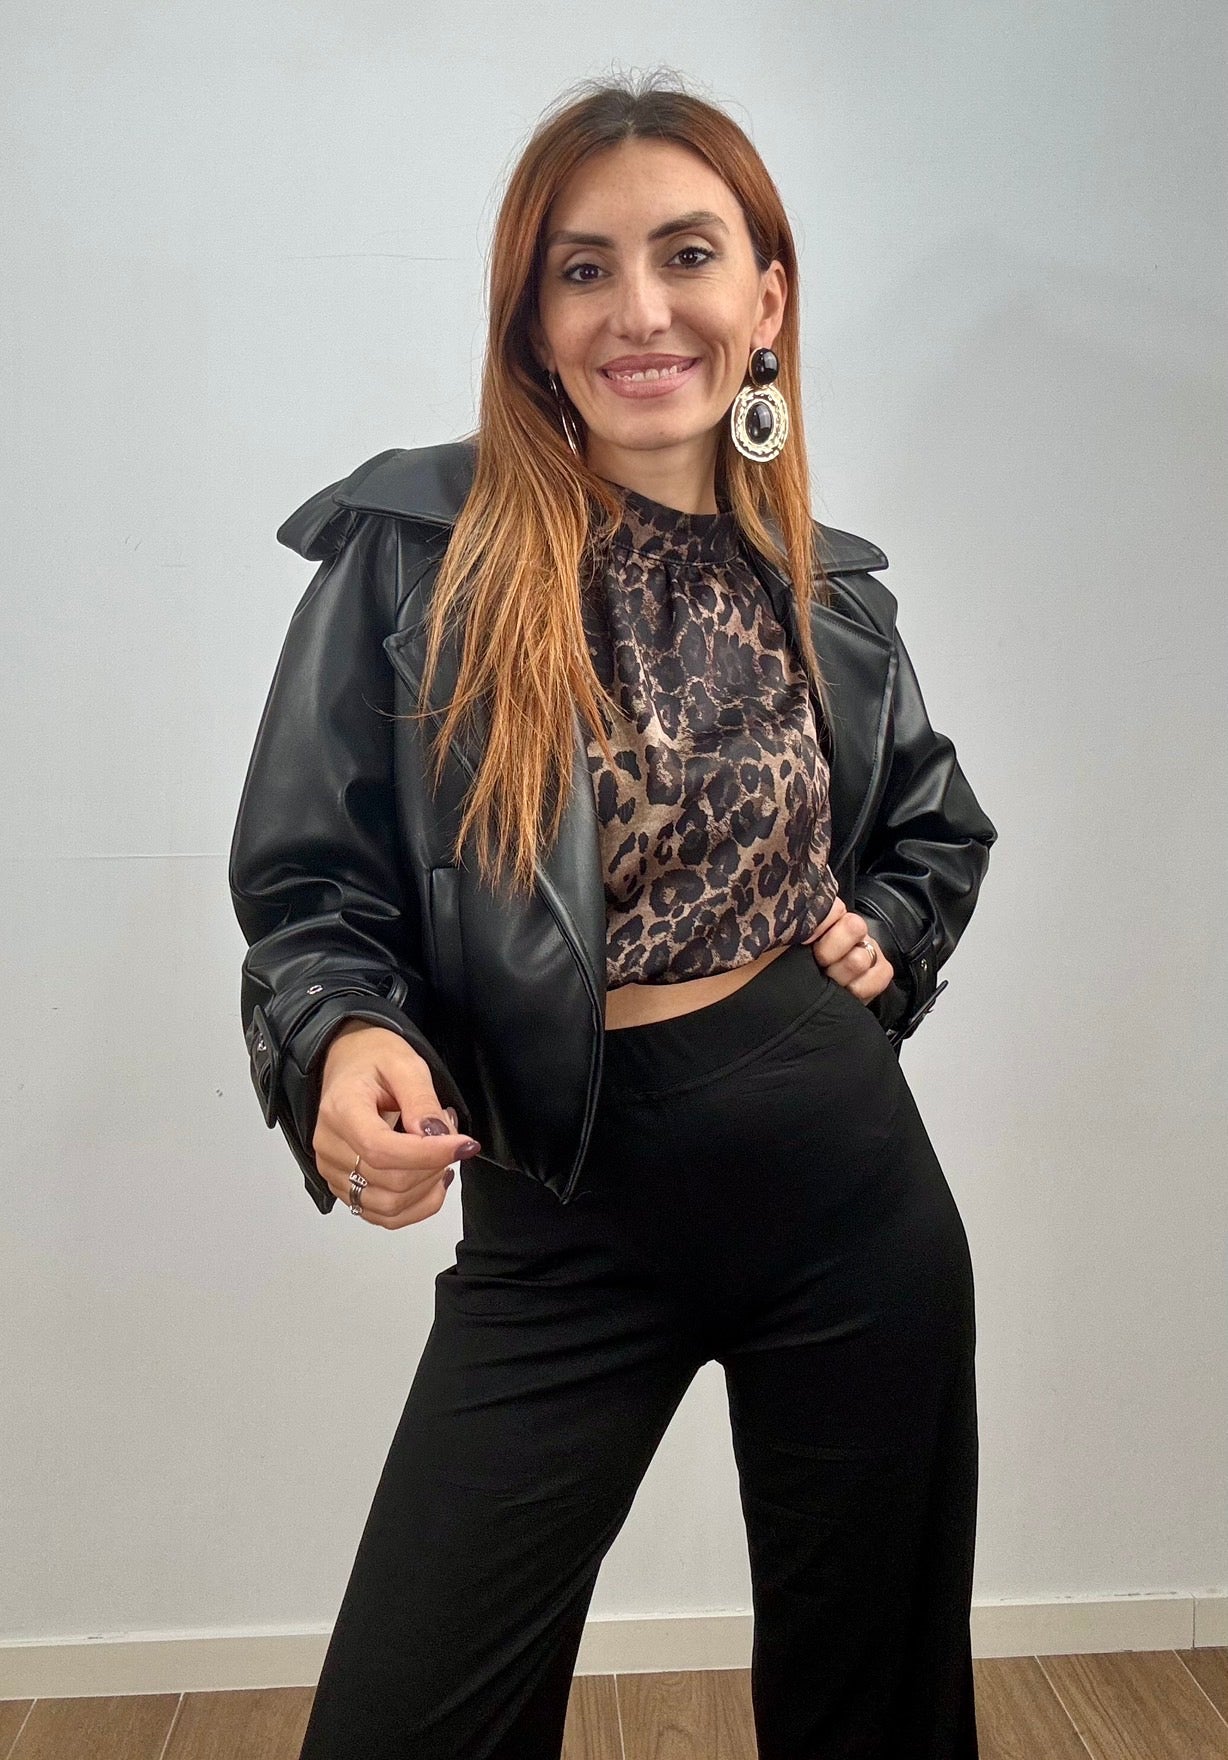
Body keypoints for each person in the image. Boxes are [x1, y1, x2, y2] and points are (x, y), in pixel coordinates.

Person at [229, 71, 997, 1760]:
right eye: (584, 269)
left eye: (688, 255)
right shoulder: (416, 556)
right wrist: (342, 1039)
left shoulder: (834, 594)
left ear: (766, 301)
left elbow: (935, 824)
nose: (640, 310)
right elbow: (309, 885)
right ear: (533, 319)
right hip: (561, 1217)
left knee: (873, 1712)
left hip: (848, 1195)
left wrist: (888, 929)